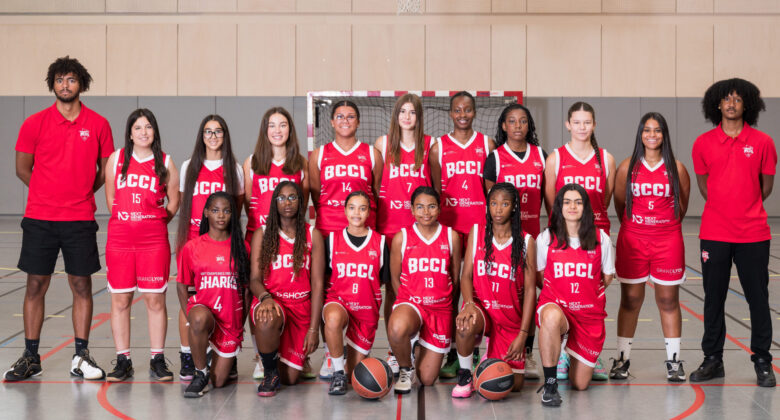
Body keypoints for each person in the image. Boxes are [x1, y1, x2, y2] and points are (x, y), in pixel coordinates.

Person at [7, 56, 113, 382]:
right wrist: (47, 192)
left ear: (82, 84)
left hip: (80, 218)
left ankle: (81, 355)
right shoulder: (34, 123)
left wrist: (82, 191)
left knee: (81, 284)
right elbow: (22, 168)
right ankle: (31, 356)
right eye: (59, 80)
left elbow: (106, 169)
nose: (65, 85)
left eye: (71, 80)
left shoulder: (98, 124)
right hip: (40, 217)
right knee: (35, 284)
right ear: (52, 84)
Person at [690, 78, 777, 387]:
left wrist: (744, 207)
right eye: (726, 99)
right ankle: (713, 359)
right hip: (714, 233)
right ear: (717, 104)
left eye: (738, 99)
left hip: (753, 234)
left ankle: (763, 360)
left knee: (758, 298)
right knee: (713, 298)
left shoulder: (763, 142)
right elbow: (705, 187)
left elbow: (765, 187)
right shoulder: (703, 143)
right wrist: (725, 207)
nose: (731, 103)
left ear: (746, 105)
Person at [610, 112, 690, 382]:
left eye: (657, 130)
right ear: (640, 134)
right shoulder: (627, 167)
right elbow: (620, 205)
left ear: (664, 134)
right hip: (634, 239)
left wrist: (661, 226)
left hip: (667, 239)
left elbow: (682, 206)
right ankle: (622, 359)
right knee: (631, 300)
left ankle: (674, 362)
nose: (652, 135)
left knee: (668, 300)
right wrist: (639, 226)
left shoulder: (677, 168)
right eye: (647, 130)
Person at [103, 108, 180, 382]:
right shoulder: (117, 159)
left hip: (153, 242)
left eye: (148, 127)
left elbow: (173, 202)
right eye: (138, 127)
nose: (143, 132)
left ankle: (157, 359)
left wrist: (154, 221)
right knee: (120, 300)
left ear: (155, 131)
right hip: (120, 241)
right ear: (130, 133)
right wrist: (129, 220)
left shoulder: (166, 162)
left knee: (154, 300)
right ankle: (123, 360)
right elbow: (111, 199)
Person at [309, 100, 382, 378]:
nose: (345, 121)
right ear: (331, 121)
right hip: (329, 233)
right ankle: (331, 353)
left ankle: (358, 343)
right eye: (339, 116)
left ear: (358, 121)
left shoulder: (371, 154)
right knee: (328, 293)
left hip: (363, 235)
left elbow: (376, 193)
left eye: (351, 116)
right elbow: (316, 194)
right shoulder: (319, 155)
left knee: (361, 291)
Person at [543, 101, 616, 381]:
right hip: (565, 237)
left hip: (594, 238)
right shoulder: (556, 158)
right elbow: (553, 203)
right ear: (568, 124)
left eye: (587, 122)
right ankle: (562, 349)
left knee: (592, 297)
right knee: (562, 294)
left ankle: (588, 351)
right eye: (577, 122)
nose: (582, 127)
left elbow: (603, 200)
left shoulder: (606, 159)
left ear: (594, 125)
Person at [429, 91, 495, 378]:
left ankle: (476, 348)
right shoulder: (438, 148)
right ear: (450, 113)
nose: (463, 115)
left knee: (479, 288)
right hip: (451, 229)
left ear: (474, 112)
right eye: (457, 110)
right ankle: (454, 350)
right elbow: (436, 191)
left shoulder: (487, 144)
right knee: (452, 288)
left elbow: (492, 189)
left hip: (479, 228)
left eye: (467, 110)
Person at [451, 183, 537, 398]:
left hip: (509, 318)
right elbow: (466, 276)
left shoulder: (526, 242)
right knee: (464, 324)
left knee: (512, 384)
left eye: (504, 204)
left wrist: (523, 335)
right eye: (493, 203)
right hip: (482, 309)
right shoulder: (477, 233)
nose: (498, 209)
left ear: (514, 207)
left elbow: (530, 292)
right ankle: (465, 375)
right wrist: (469, 304)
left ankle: (490, 353)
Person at [176, 114, 244, 381]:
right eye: (208, 131)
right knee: (192, 301)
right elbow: (185, 205)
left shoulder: (234, 169)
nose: (213, 136)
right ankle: (187, 355)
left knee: (228, 298)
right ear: (201, 136)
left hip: (222, 244)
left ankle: (227, 353)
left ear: (225, 136)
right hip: (194, 242)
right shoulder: (188, 166)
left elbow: (236, 208)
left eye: (218, 131)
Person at [244, 107, 308, 380]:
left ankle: (300, 354)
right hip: (259, 238)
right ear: (265, 130)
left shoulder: (300, 164)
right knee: (255, 294)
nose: (277, 130)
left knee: (297, 289)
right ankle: (261, 356)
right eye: (272, 125)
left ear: (290, 130)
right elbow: (250, 203)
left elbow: (302, 202)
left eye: (283, 125)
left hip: (290, 239)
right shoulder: (252, 162)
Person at [535, 184, 615, 407]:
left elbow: (607, 277)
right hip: (558, 307)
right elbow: (540, 276)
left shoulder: (601, 239)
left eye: (578, 202)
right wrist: (561, 295)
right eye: (567, 202)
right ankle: (550, 384)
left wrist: (585, 294)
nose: (572, 206)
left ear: (585, 207)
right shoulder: (546, 238)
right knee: (551, 317)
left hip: (588, 315)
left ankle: (567, 352)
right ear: (559, 207)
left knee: (580, 384)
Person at [483, 103, 547, 379]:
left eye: (523, 121)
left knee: (529, 293)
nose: (518, 126)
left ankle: (528, 351)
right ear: (504, 126)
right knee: (498, 292)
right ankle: (487, 347)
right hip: (504, 238)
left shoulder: (541, 155)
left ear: (529, 125)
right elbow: (492, 204)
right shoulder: (495, 158)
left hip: (532, 237)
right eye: (512, 121)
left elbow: (549, 198)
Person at [374, 93, 432, 375]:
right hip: (389, 231)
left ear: (419, 117)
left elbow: (436, 188)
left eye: (413, 112)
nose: (407, 117)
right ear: (396, 116)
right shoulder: (383, 145)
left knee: (421, 289)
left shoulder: (430, 146)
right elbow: (375, 188)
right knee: (393, 292)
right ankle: (394, 349)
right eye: (403, 112)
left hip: (420, 232)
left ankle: (422, 343)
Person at [250, 181, 325, 396]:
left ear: (300, 202)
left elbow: (318, 284)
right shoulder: (263, 234)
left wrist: (313, 329)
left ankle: (276, 360)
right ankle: (269, 372)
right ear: (274, 203)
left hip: (300, 307)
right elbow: (254, 279)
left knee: (291, 379)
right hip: (273, 302)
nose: (287, 202)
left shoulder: (312, 235)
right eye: (281, 198)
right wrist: (265, 298)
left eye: (292, 197)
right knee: (267, 317)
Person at [387, 186, 462, 393]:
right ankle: (405, 369)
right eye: (419, 207)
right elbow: (395, 278)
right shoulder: (402, 238)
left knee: (427, 379)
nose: (426, 212)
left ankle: (417, 345)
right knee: (397, 326)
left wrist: (450, 307)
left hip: (440, 309)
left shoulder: (451, 237)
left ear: (439, 208)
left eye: (431, 206)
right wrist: (404, 304)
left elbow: (455, 278)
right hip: (412, 303)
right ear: (412, 209)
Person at [177, 192, 250, 397]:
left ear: (233, 215)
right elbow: (181, 286)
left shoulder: (241, 247)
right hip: (205, 312)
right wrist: (191, 317)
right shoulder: (192, 247)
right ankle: (200, 372)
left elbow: (247, 290)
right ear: (206, 212)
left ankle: (214, 355)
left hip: (229, 321)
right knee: (199, 319)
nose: (221, 215)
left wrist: (240, 324)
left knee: (218, 381)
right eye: (216, 210)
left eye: (226, 211)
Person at [322, 191, 386, 395]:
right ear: (344, 210)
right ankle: (337, 372)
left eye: (362, 208)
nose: (356, 213)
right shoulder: (332, 240)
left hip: (366, 310)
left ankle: (348, 359)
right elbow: (324, 277)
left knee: (355, 376)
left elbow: (384, 280)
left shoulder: (380, 242)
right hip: (339, 301)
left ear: (369, 212)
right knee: (333, 319)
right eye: (352, 207)